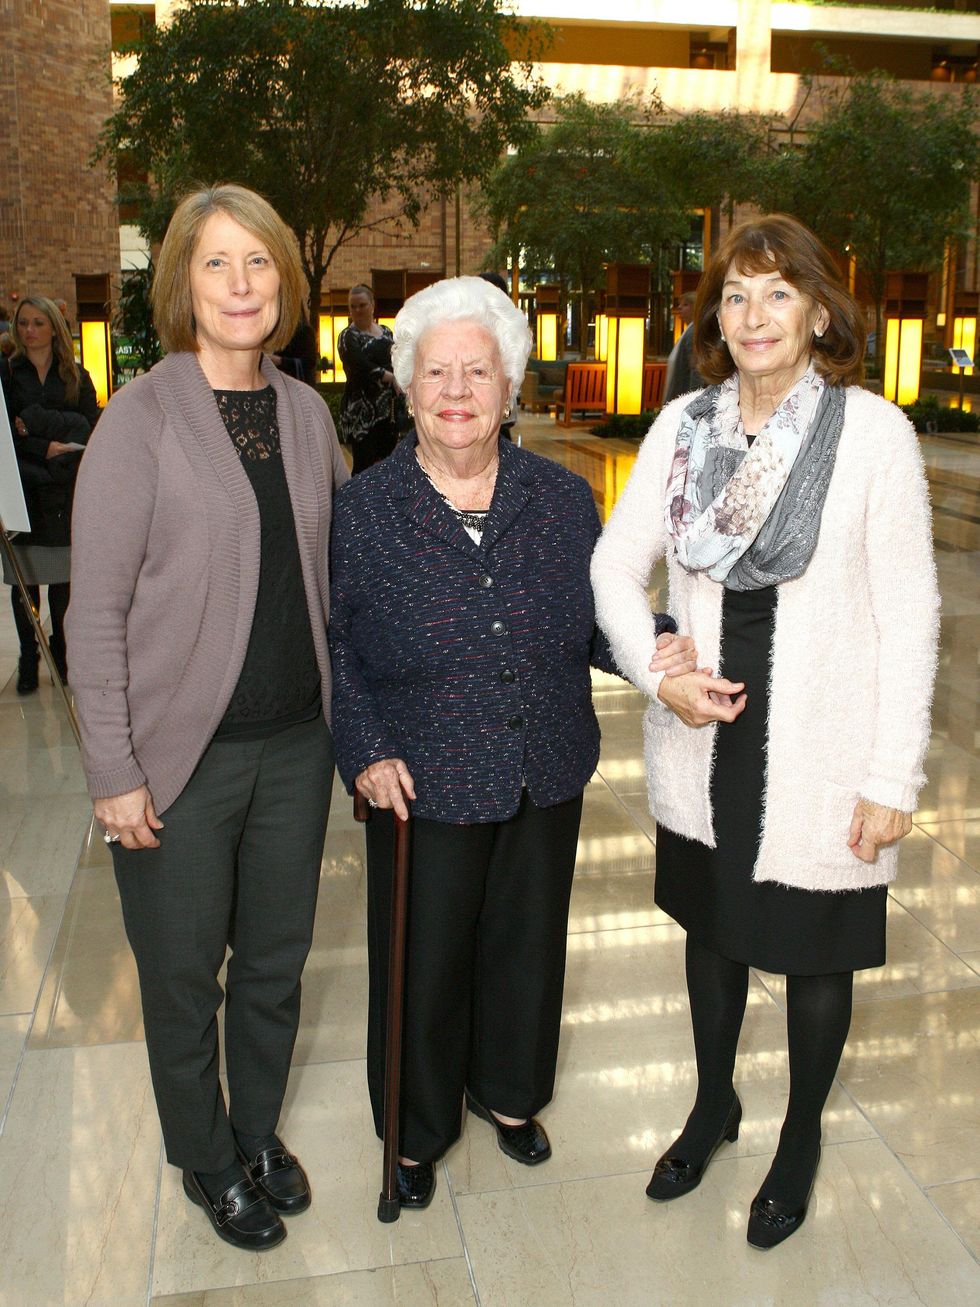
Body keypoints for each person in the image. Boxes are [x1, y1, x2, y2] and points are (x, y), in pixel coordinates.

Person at [591, 214, 939, 1250]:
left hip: (821, 747)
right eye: (734, 295)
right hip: (706, 734)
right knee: (710, 931)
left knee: (813, 951)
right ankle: (712, 1103)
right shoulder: (683, 426)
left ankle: (796, 1139)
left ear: (819, 311)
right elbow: (615, 567)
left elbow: (909, 611)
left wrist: (891, 773)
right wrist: (657, 666)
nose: (752, 315)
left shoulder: (872, 433)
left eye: (777, 293)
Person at [329, 275, 697, 1210]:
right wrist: (366, 749)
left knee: (526, 948)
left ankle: (508, 1093)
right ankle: (415, 1129)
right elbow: (334, 645)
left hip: (544, 759)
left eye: (478, 371)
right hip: (421, 776)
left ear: (508, 387)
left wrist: (658, 646)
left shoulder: (563, 498)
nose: (457, 390)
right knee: (424, 962)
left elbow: (595, 618)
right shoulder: (362, 511)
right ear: (407, 389)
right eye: (437, 372)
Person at [67, 183, 349, 1252]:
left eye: (259, 262)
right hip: (178, 762)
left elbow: (332, 576)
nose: (241, 285)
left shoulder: (307, 412)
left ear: (285, 279)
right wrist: (113, 770)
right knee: (183, 977)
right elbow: (94, 616)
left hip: (294, 746)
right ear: (183, 282)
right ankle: (206, 1156)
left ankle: (255, 1128)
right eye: (216, 264)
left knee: (275, 964)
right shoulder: (139, 420)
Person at [1, 294, 100, 692]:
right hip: (24, 487)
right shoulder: (8, 374)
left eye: (38, 322)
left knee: (63, 581)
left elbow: (88, 427)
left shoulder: (76, 374)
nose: (29, 330)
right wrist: (45, 446)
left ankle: (62, 652)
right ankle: (30, 656)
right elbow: (7, 434)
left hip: (67, 486)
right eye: (24, 323)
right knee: (25, 581)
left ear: (54, 327)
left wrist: (38, 425)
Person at [337, 283, 401, 474]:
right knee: (363, 467)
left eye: (362, 305)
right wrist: (389, 377)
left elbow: (399, 358)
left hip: (388, 410)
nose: (357, 310)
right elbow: (359, 365)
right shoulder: (347, 336)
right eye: (353, 306)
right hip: (361, 413)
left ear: (372, 305)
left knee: (388, 463)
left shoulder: (387, 332)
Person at [663, 290, 704, 404]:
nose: (679, 307)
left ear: (695, 307)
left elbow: (696, 370)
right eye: (680, 304)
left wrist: (692, 402)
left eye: (685, 304)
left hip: (684, 400)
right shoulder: (689, 330)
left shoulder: (693, 333)